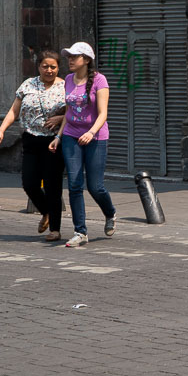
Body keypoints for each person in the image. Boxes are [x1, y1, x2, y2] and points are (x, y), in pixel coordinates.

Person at [0, 50, 67, 243]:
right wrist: (1, 130)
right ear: (38, 66)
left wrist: (60, 117)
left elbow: (73, 111)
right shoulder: (28, 84)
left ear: (58, 68)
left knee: (53, 186)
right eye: (45, 66)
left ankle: (55, 229)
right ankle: (46, 212)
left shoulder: (66, 86)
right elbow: (13, 111)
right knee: (29, 183)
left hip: (53, 141)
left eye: (53, 67)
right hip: (31, 140)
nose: (49, 70)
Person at [50, 42, 117, 247]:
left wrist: (91, 132)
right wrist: (59, 137)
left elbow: (103, 113)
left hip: (95, 137)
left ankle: (110, 212)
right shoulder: (69, 79)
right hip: (71, 136)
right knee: (74, 184)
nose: (70, 60)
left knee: (95, 187)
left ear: (86, 60)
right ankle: (80, 232)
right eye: (68, 56)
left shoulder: (100, 80)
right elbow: (69, 112)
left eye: (74, 56)